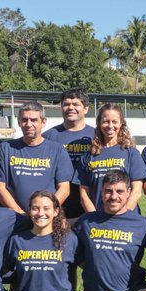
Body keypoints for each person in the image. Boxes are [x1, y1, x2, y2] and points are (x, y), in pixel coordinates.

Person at [0, 102, 74, 215]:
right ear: (19, 122)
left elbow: (64, 189)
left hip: (46, 218)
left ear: (43, 122)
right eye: (24, 120)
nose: (28, 124)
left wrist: (46, 212)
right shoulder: (5, 148)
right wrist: (19, 213)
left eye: (33, 120)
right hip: (15, 217)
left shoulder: (57, 150)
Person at [78, 103, 146, 214]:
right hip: (98, 221)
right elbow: (84, 194)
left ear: (121, 124)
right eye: (105, 121)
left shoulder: (130, 153)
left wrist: (122, 216)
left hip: (126, 220)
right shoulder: (89, 155)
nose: (110, 126)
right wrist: (95, 217)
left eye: (114, 121)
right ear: (99, 123)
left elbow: (137, 191)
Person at [42, 88, 96, 221]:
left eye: (76, 104)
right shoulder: (49, 136)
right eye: (66, 104)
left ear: (86, 109)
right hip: (58, 204)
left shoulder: (96, 137)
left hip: (90, 202)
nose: (70, 108)